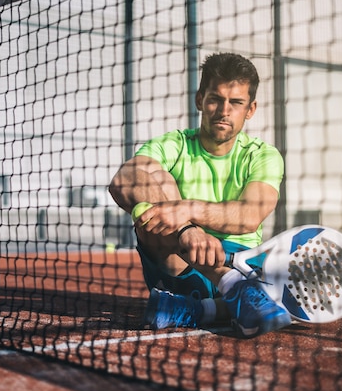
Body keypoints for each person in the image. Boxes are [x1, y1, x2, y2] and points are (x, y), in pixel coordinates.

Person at [108, 52, 291, 338]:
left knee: (274, 285)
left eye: (236, 102)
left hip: (240, 261)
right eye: (216, 99)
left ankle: (198, 309)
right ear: (200, 100)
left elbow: (250, 215)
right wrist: (187, 229)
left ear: (250, 109)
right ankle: (233, 290)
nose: (224, 110)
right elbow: (123, 180)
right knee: (154, 181)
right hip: (179, 263)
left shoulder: (262, 155)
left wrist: (188, 210)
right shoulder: (175, 144)